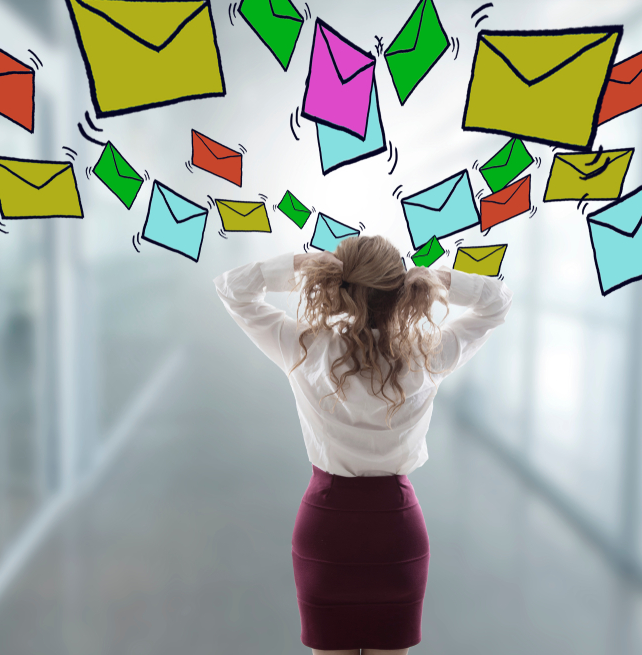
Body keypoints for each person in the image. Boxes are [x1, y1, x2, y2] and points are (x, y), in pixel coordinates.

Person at [214, 235, 513, 655]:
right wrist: (434, 279)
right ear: (400, 289)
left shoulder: (304, 348)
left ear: (338, 284)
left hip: (326, 532)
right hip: (397, 532)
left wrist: (303, 264)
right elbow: (497, 303)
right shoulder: (428, 354)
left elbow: (232, 288)